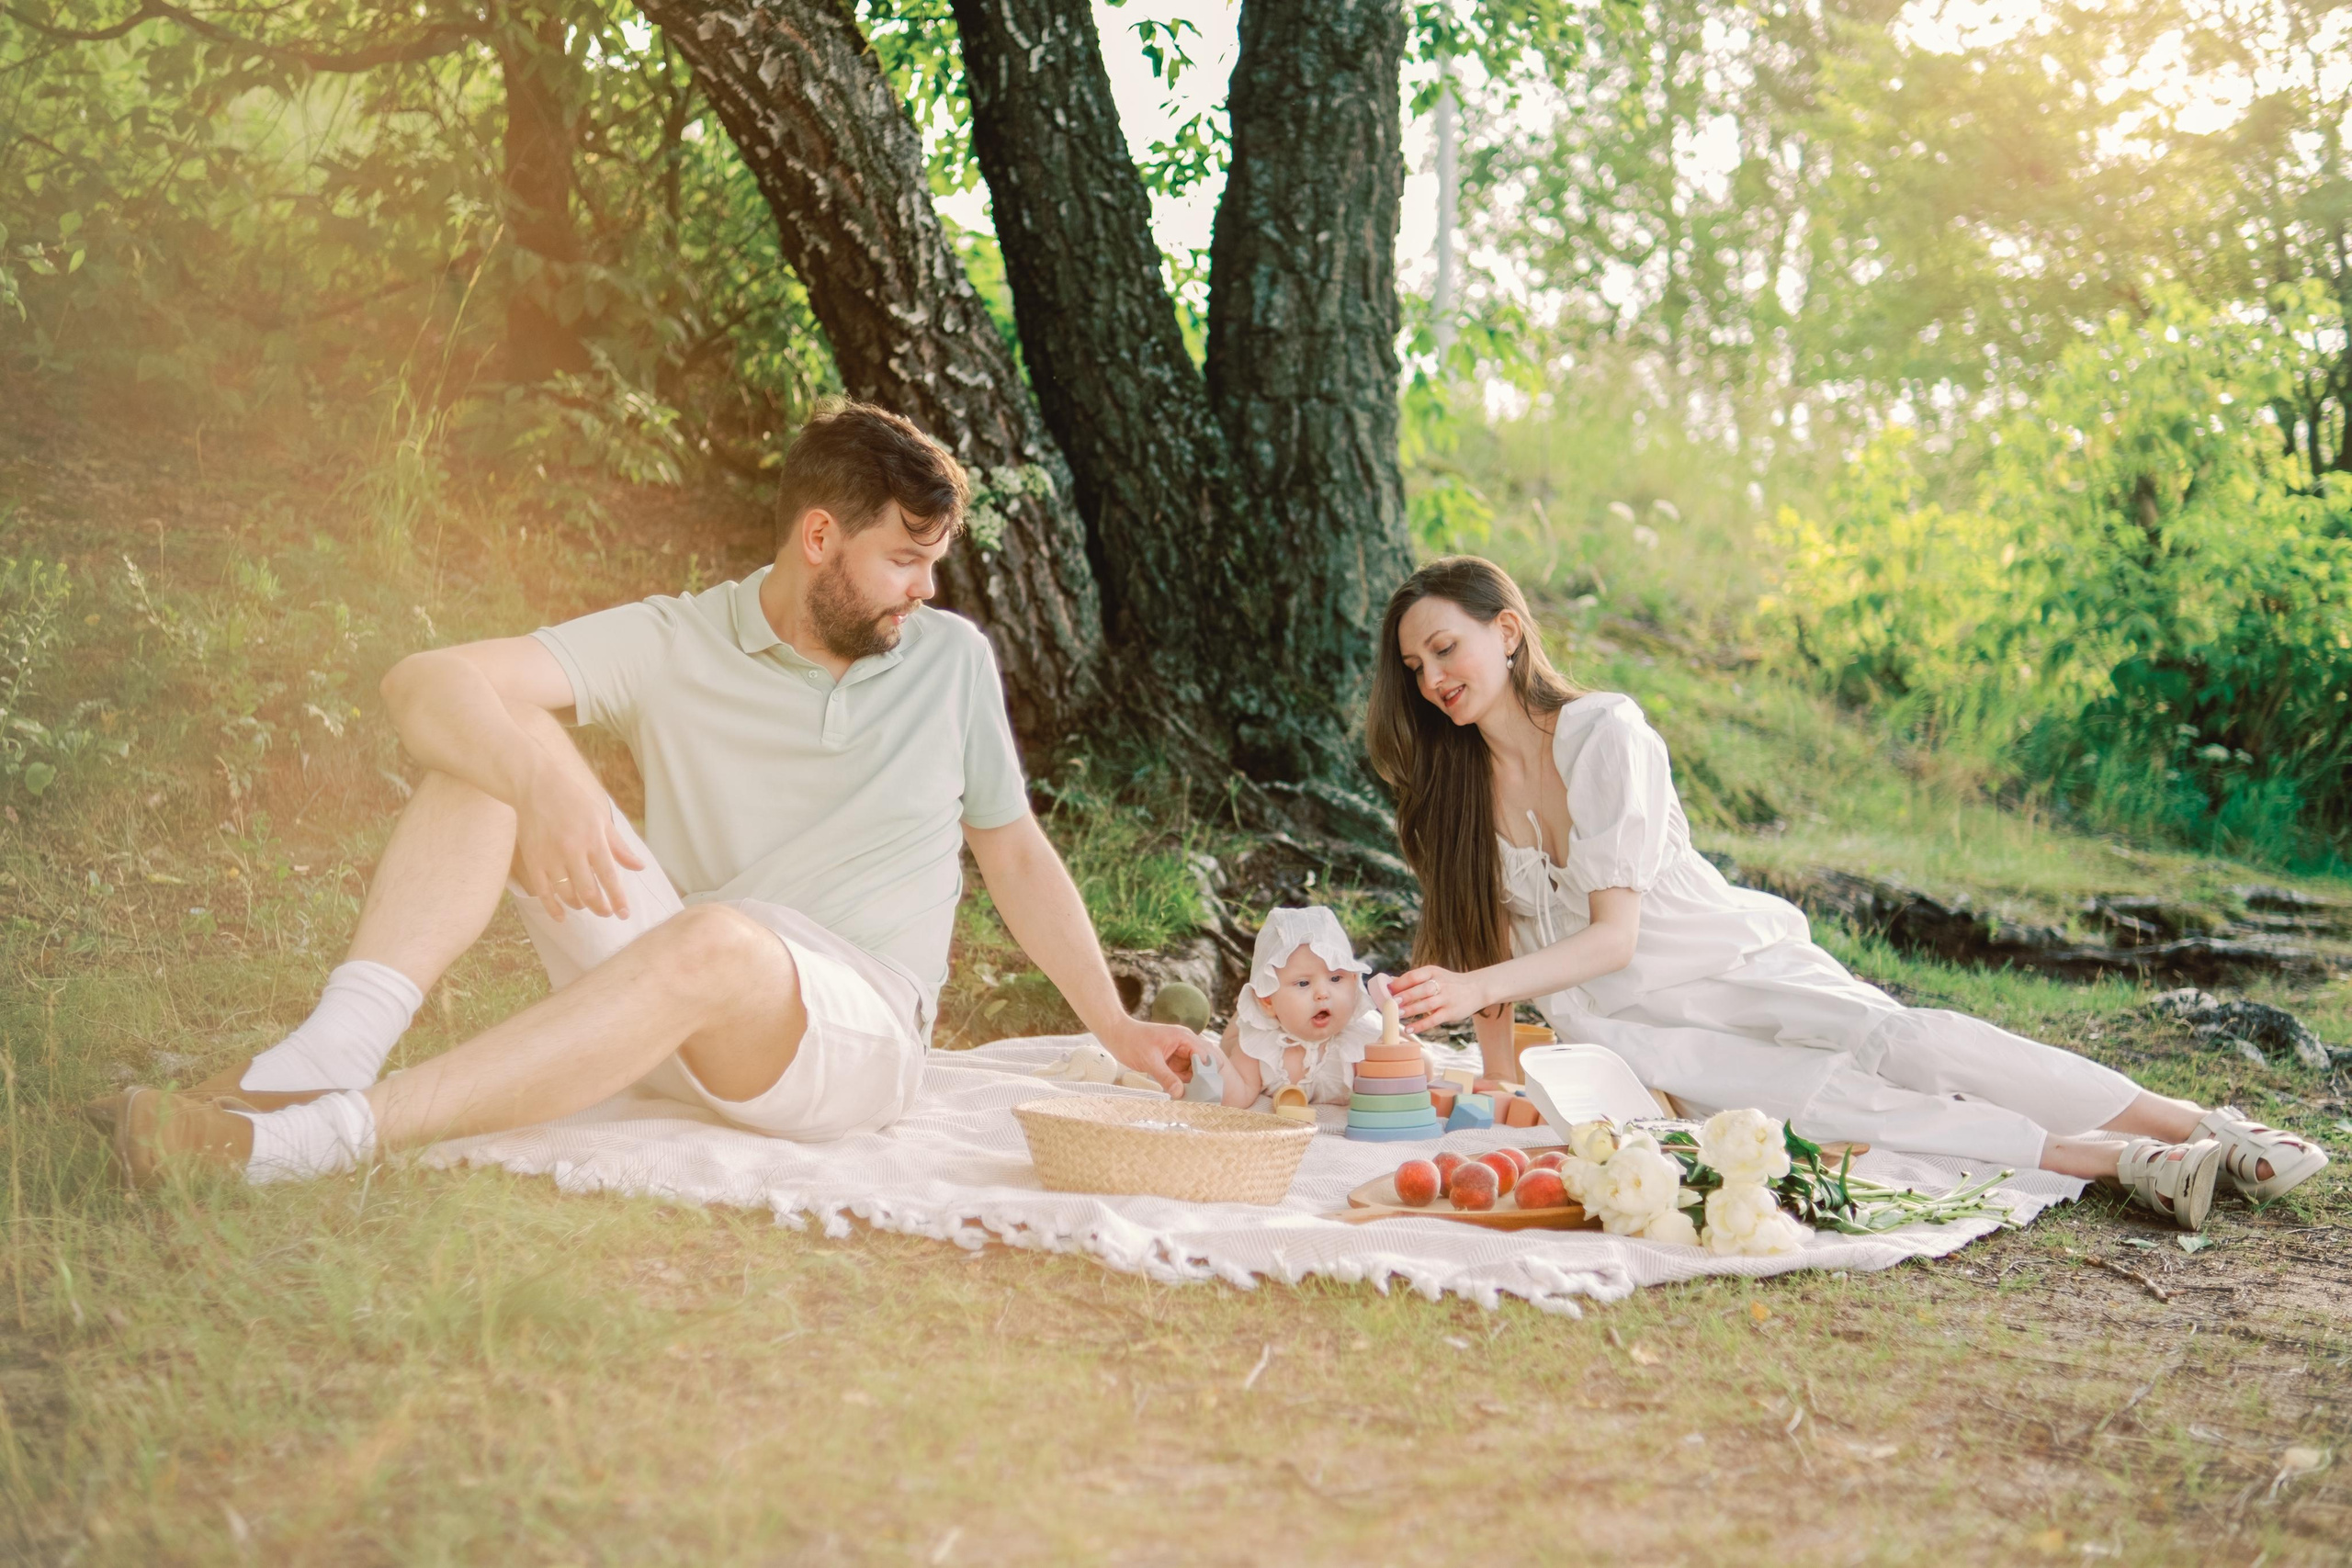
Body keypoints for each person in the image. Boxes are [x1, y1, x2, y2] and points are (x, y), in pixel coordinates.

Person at [107, 400, 1199, 1186]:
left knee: (716, 937)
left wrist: (1111, 1023)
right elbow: (424, 683)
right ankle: (327, 1056)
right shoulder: (678, 637)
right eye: (905, 559)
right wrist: (543, 775)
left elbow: (1012, 851)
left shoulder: (950, 660)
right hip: (673, 983)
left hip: (846, 1030)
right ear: (820, 537)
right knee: (488, 740)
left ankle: (309, 1147)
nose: (925, 588)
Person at [1368, 556, 2328, 1232]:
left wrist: (1477, 990)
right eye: (1416, 669)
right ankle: (2118, 1163)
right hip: (1625, 1028)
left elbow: (1610, 937)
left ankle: (2198, 1124)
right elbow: (1479, 941)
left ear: (1506, 630)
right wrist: (1494, 1082)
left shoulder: (1603, 733)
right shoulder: (1453, 794)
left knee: (1911, 1044)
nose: (1434, 679)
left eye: (1446, 649)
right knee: (1821, 1111)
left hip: (1723, 962)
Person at [1206, 907, 1412, 1110]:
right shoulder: (1256, 1047)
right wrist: (1215, 1064)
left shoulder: (1364, 1041)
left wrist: (1397, 1054)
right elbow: (1236, 1096)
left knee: (1390, 1033)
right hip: (1254, 1026)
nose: (1322, 993)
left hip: (1359, 1027)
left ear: (1354, 980)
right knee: (1235, 1034)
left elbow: (1421, 1070)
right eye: (1303, 983)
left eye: (1335, 978)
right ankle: (1245, 1012)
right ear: (1268, 999)